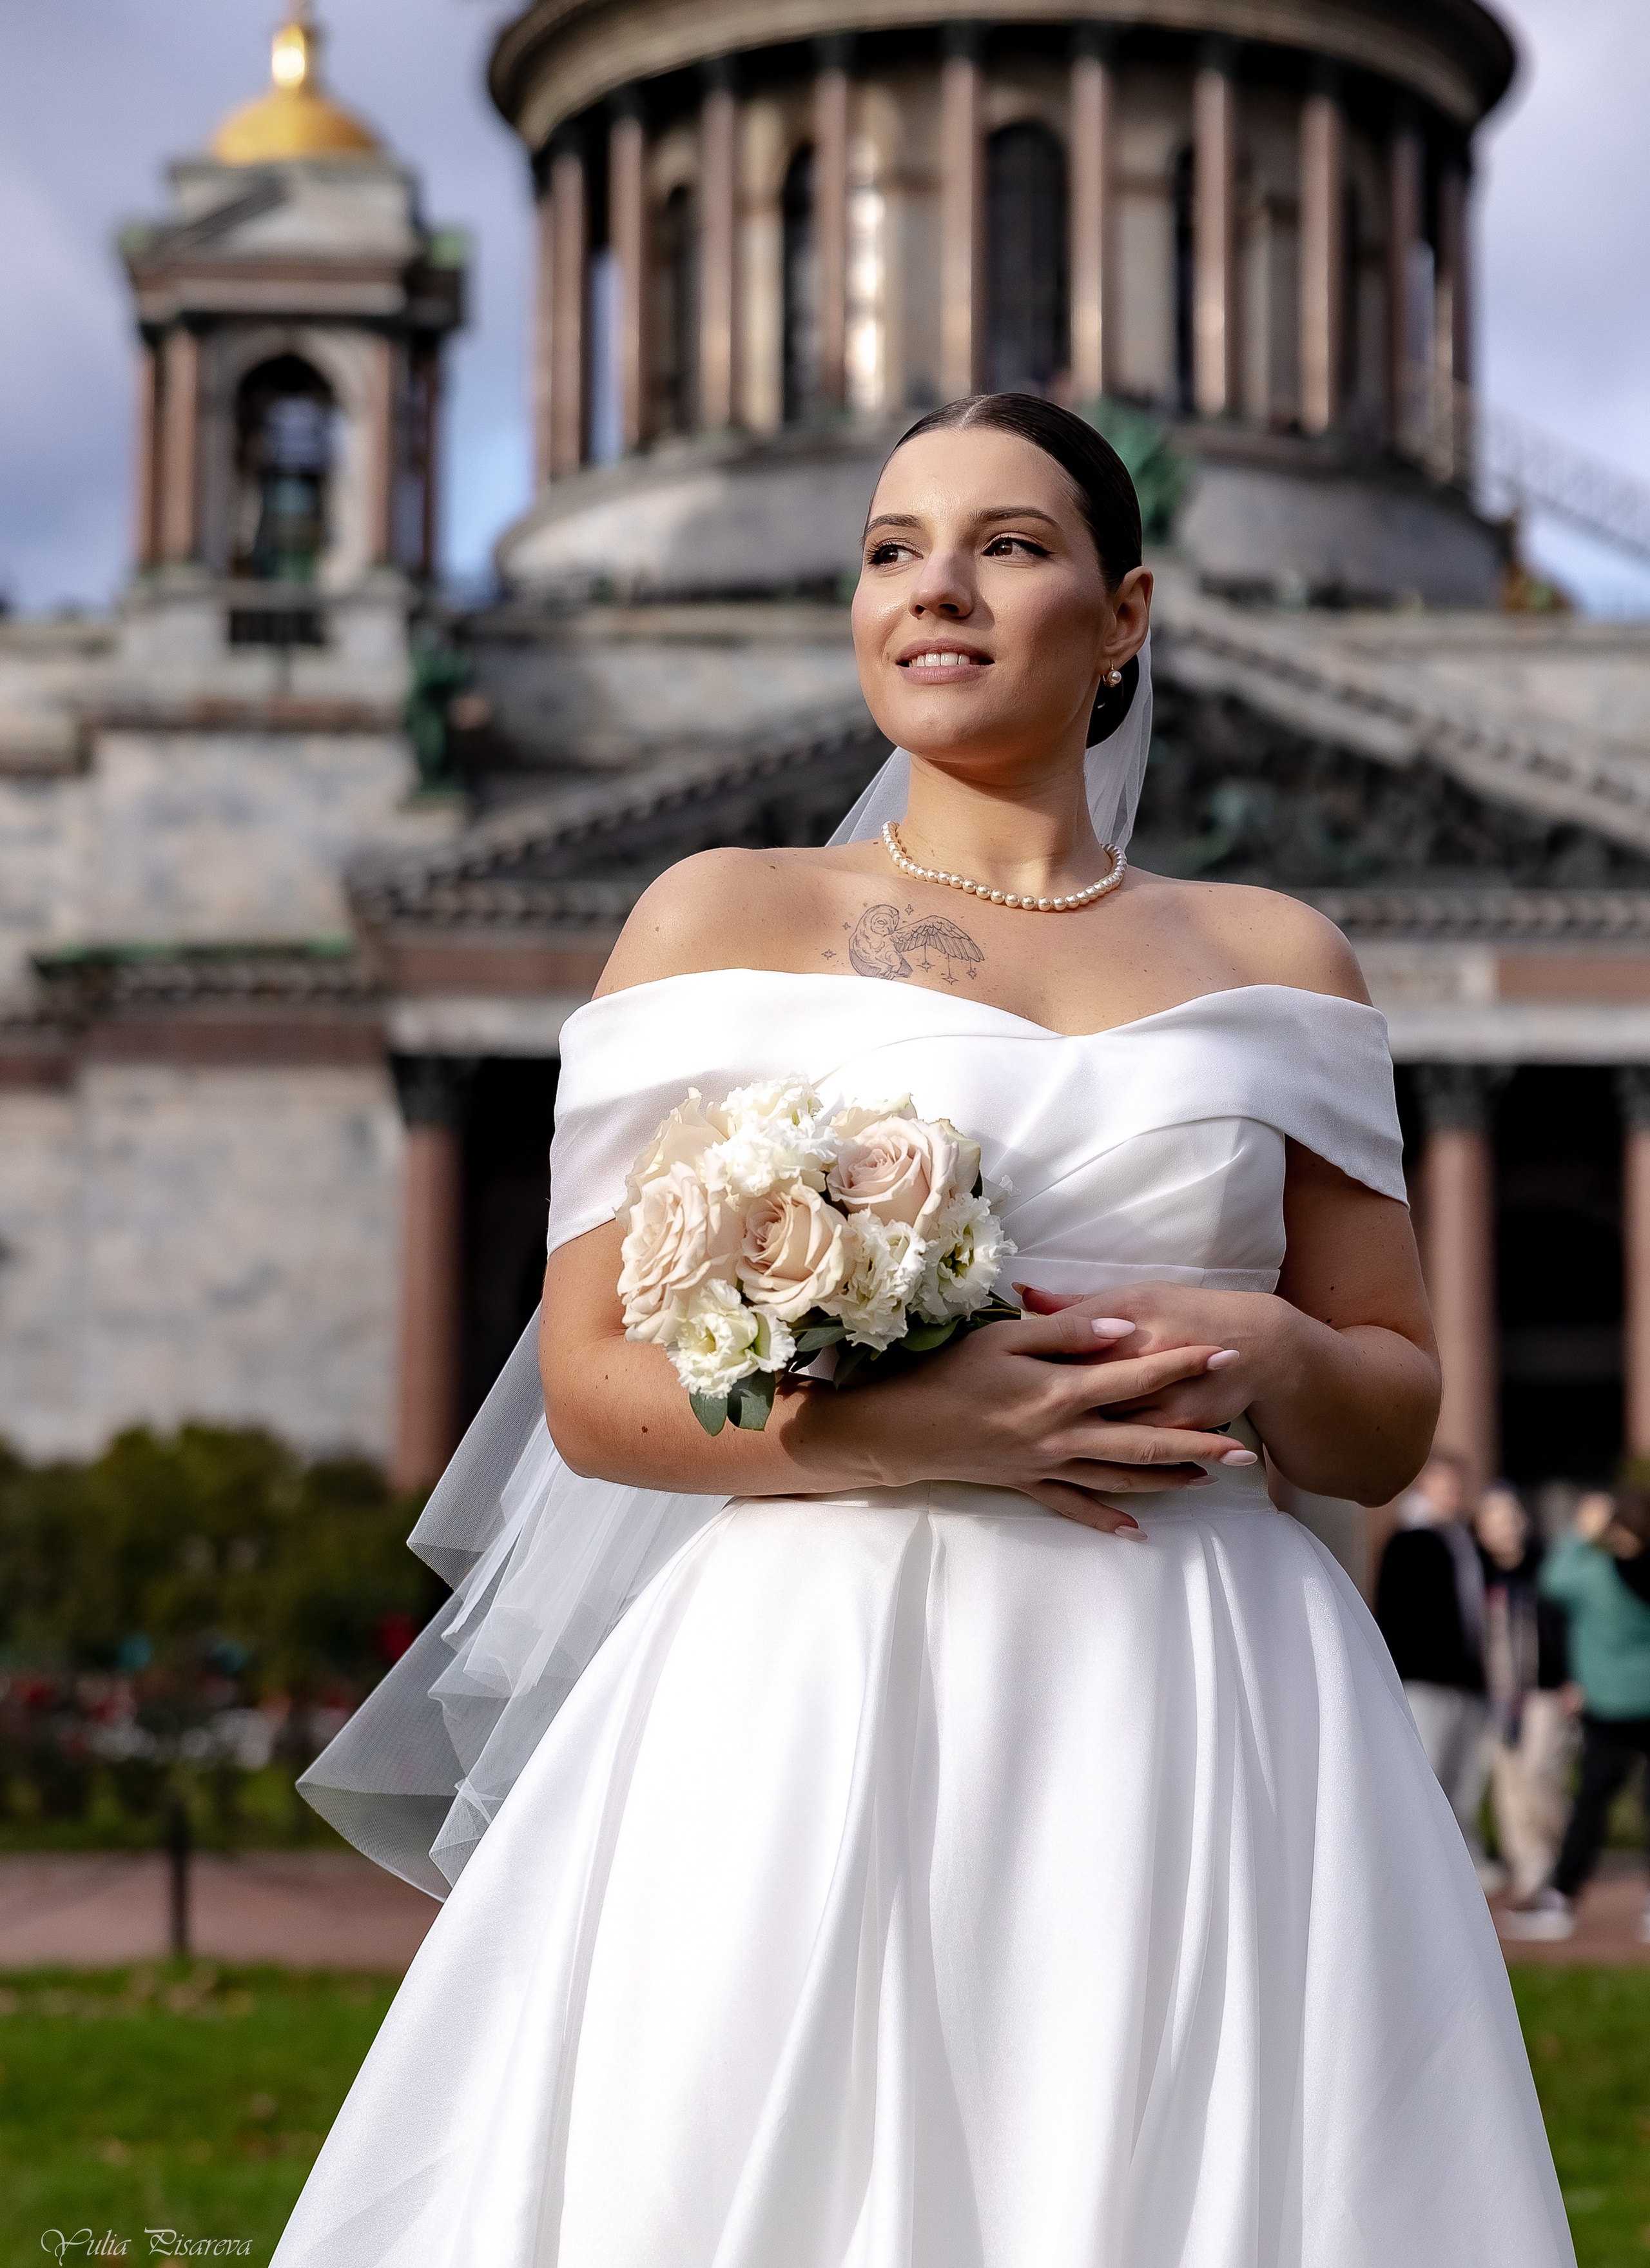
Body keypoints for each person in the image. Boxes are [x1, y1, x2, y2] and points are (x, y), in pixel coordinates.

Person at [275, 396, 1571, 2265]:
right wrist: (909, 1428)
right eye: (891, 547)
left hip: (1199, 1673)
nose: (933, 588)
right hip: (820, 1668)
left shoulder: (1284, 956)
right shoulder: (719, 914)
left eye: (1009, 545)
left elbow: (1387, 1408)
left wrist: (1270, 1353)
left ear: (1126, 611)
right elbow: (592, 1386)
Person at [1508, 1487, 1650, 1944]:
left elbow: (1551, 1579)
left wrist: (1579, 1532)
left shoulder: (1594, 1572)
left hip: (1608, 1706)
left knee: (1590, 1805)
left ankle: (1561, 1899)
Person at [1374, 1449, 1501, 1886]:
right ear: (1424, 1485)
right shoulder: (1408, 1540)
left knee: (1467, 1779)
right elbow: (1392, 1612)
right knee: (1428, 1776)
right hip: (1426, 1679)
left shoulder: (1463, 1538)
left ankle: (1465, 1862)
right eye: (1444, 1483)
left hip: (1467, 1679)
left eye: (1457, 1484)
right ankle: (1420, 1869)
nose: (1453, 1492)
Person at [1475, 1483, 1573, 1901]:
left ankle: (1560, 1854)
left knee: (1539, 1774)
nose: (1504, 1528)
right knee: (1509, 1786)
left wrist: (1574, 1679)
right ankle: (1529, 1865)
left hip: (1542, 1691)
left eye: (1510, 1516)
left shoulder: (1547, 1571)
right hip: (1493, 1695)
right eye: (1493, 1520)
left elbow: (1570, 1627)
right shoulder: (1475, 1574)